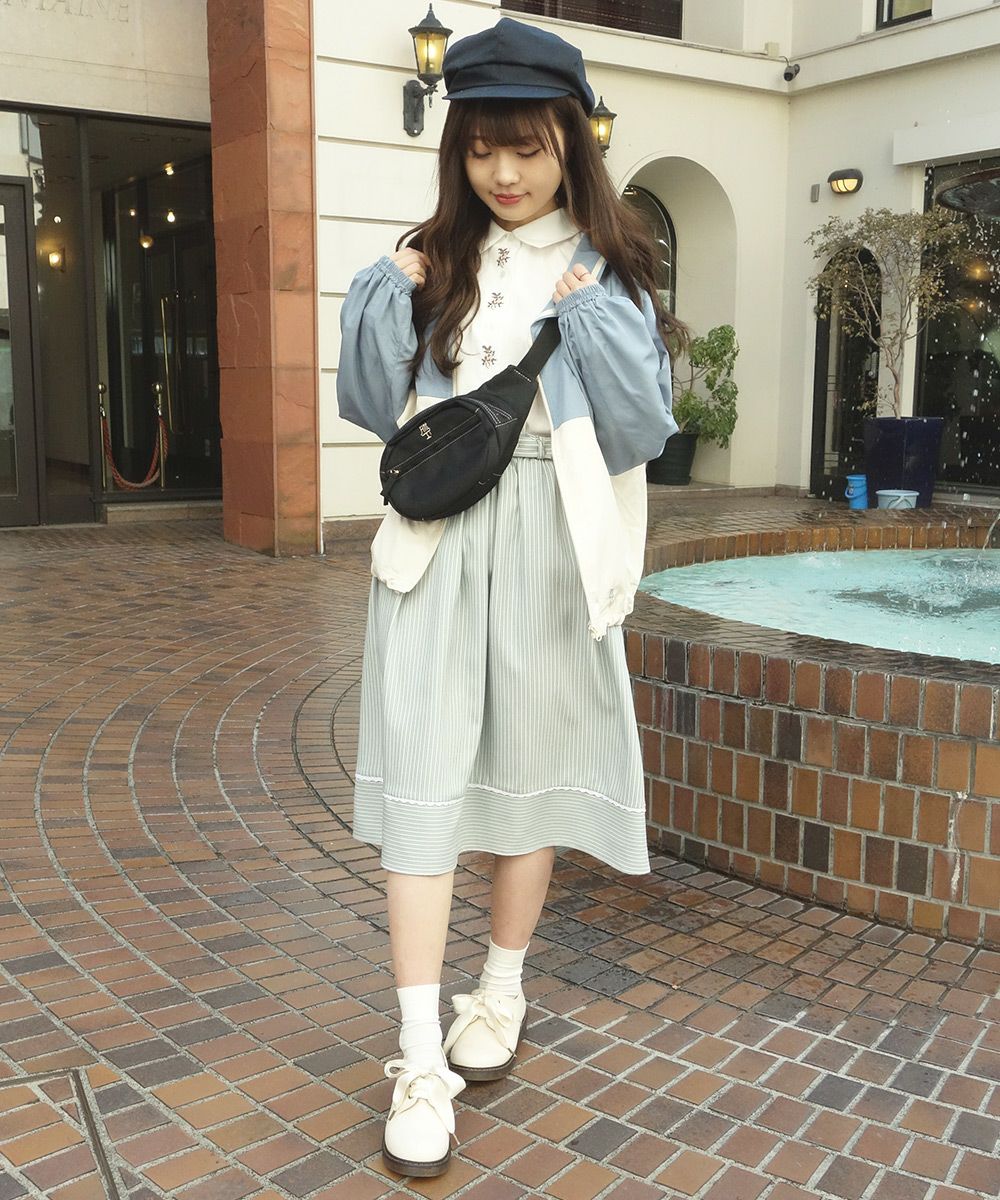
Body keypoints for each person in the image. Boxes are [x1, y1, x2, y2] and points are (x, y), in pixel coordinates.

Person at [337, 16, 683, 1178]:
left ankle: (501, 986)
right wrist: (383, 294)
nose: (503, 171)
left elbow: (640, 431)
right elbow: (373, 406)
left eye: (526, 147)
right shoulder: (434, 258)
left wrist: (589, 315)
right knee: (425, 787)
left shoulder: (607, 269)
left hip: (551, 539)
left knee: (524, 780)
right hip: (437, 542)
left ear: (570, 143)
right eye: (482, 147)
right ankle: (415, 1058)